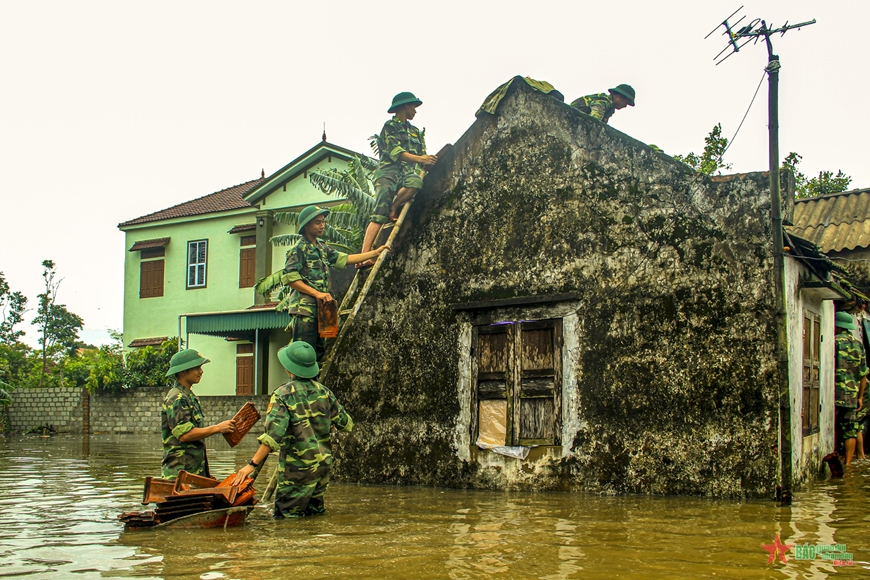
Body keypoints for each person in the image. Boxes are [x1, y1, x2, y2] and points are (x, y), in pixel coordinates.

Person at [232, 342, 353, 518]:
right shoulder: (325, 392)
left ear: (289, 368)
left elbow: (273, 437)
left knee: (287, 520)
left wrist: (251, 465)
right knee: (315, 515)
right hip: (322, 467)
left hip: (297, 470)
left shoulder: (282, 395)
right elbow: (347, 424)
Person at [284, 205, 388, 360]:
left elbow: (345, 259)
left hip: (323, 308)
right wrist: (317, 293)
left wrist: (374, 253)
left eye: (323, 222)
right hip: (305, 309)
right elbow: (291, 279)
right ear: (306, 225)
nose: (322, 225)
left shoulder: (322, 247)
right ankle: (300, 384)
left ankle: (315, 383)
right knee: (303, 352)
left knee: (319, 354)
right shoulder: (298, 249)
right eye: (317, 222)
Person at [358, 92, 437, 266]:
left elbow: (421, 154)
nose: (415, 111)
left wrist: (428, 161)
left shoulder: (415, 132)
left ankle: (394, 207)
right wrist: (421, 159)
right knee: (379, 214)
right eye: (413, 107)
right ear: (404, 106)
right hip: (388, 172)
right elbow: (397, 153)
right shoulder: (389, 127)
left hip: (406, 174)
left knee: (416, 183)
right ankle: (364, 256)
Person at [161, 349, 236, 480]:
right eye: (197, 368)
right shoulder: (177, 398)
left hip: (193, 472)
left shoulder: (189, 396)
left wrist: (205, 475)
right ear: (183, 371)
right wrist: (218, 428)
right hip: (179, 474)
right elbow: (185, 435)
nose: (201, 371)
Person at [834, 311, 867, 466]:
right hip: (852, 395)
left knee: (835, 427)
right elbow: (863, 375)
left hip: (834, 393)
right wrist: (860, 397)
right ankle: (848, 466)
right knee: (850, 430)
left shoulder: (833, 341)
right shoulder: (859, 344)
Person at [569, 84, 635, 124]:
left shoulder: (610, 107)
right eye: (626, 102)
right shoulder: (605, 101)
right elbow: (595, 117)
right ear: (620, 97)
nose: (625, 106)